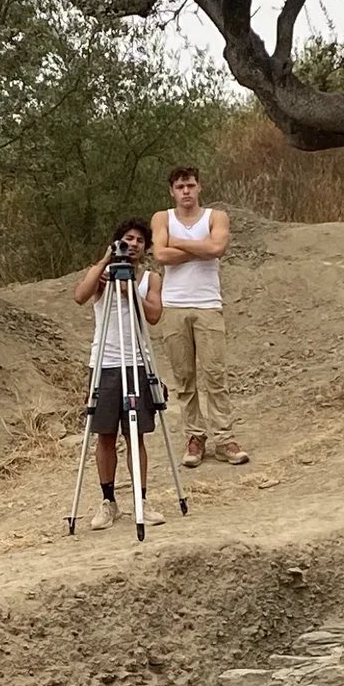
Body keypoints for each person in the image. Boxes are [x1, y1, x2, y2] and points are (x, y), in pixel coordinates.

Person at [150, 164, 249, 470]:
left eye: (191, 185)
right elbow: (160, 255)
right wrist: (200, 248)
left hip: (207, 304)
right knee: (184, 377)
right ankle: (195, 436)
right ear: (172, 191)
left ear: (199, 187)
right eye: (180, 187)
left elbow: (217, 247)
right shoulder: (162, 217)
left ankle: (224, 438)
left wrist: (176, 243)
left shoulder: (215, 217)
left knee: (215, 374)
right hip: (175, 305)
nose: (186, 192)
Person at [72, 216, 165, 522]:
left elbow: (153, 315)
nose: (133, 244)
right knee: (105, 436)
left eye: (139, 240)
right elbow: (80, 296)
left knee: (135, 436)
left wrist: (128, 290)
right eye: (128, 239)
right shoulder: (102, 275)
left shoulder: (150, 278)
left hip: (137, 363)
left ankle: (142, 500)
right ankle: (108, 500)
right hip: (105, 364)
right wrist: (104, 262)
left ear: (146, 246)